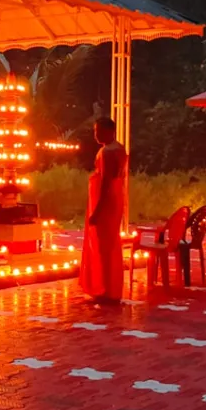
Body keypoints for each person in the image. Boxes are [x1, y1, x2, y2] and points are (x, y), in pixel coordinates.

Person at [79, 117, 127, 305]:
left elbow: (106, 181)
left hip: (106, 201)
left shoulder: (108, 151)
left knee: (102, 246)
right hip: (115, 197)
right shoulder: (119, 148)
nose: (96, 135)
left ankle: (105, 289)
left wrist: (97, 211)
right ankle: (110, 288)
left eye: (99, 131)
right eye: (95, 131)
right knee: (110, 244)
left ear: (109, 130)